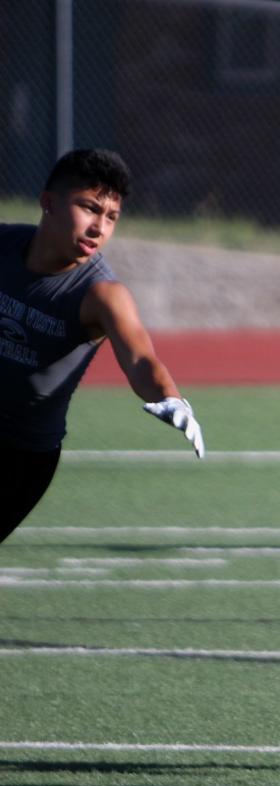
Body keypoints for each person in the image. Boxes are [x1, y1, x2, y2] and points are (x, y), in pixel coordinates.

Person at [0, 148, 205, 544]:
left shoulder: (102, 294)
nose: (100, 227)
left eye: (111, 217)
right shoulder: (4, 244)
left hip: (19, 456)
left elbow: (142, 358)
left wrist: (172, 397)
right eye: (89, 208)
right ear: (48, 203)